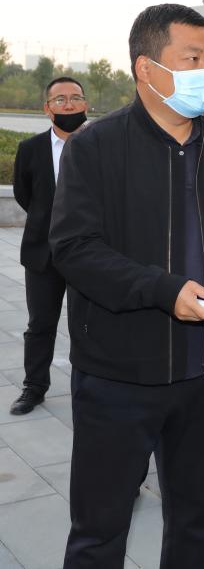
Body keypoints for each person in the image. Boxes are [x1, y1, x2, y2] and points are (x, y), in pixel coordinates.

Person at [49, 3, 204, 569]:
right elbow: (75, 248)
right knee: (99, 530)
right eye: (192, 59)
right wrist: (163, 289)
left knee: (195, 522)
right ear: (146, 68)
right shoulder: (96, 147)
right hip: (119, 374)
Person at [9, 77, 89, 416]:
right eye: (60, 99)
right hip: (43, 253)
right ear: (47, 108)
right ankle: (34, 387)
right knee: (40, 324)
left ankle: (90, 388)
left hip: (90, 253)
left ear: (86, 104)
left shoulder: (102, 145)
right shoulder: (30, 149)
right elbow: (24, 194)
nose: (68, 104)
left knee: (87, 326)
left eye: (75, 98)